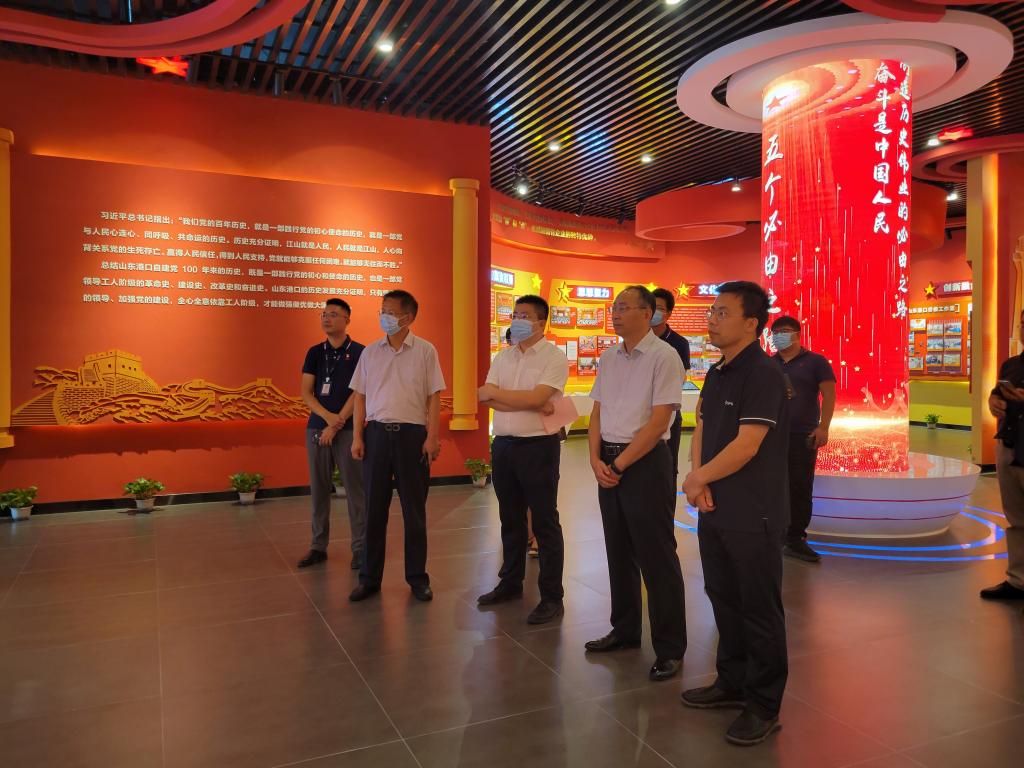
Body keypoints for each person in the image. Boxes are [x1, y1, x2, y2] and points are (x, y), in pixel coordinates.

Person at [681, 280, 789, 747]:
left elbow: (748, 445)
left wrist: (698, 479)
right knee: (723, 597)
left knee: (758, 608)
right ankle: (732, 681)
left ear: (751, 323)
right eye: (712, 311)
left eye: (722, 312)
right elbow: (703, 428)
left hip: (754, 510)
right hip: (716, 505)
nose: (711, 319)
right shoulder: (717, 372)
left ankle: (763, 705)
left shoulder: (763, 374)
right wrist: (700, 477)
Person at [584, 285, 687, 683]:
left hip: (644, 463)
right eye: (615, 307)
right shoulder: (609, 357)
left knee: (656, 555)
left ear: (648, 313)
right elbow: (597, 410)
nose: (616, 313)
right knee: (618, 548)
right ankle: (624, 630)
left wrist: (619, 464)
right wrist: (595, 458)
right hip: (609, 460)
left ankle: (670, 647)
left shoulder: (665, 356)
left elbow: (660, 422)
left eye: (625, 307)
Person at [348, 290, 445, 603]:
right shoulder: (370, 352)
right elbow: (360, 397)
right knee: (373, 511)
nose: (384, 317)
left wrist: (432, 436)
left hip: (412, 437)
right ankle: (369, 578)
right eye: (383, 310)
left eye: (390, 312)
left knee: (413, 512)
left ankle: (417, 578)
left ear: (408, 317)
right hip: (376, 434)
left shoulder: (425, 351)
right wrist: (357, 436)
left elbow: (434, 397)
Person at [477, 294, 569, 624]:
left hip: (538, 447)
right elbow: (484, 396)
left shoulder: (554, 357)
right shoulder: (503, 356)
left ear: (541, 322)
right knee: (510, 518)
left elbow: (537, 397)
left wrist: (517, 398)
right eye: (515, 314)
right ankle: (510, 582)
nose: (516, 320)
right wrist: (527, 401)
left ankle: (552, 596)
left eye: (524, 315)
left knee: (544, 521)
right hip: (503, 445)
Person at [298, 298, 366, 570]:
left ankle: (360, 548)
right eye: (324, 314)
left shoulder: (360, 352)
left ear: (347, 320)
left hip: (349, 429)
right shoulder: (315, 352)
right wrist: (327, 419)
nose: (326, 318)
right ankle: (318, 546)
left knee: (355, 490)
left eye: (333, 314)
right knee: (319, 489)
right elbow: (306, 392)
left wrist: (336, 424)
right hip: (317, 428)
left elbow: (360, 392)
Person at [770, 315, 836, 563]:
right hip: (772, 435)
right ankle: (775, 533)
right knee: (774, 484)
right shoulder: (769, 363)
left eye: (784, 331)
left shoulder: (816, 361)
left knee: (800, 486)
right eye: (775, 332)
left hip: (803, 435)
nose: (779, 336)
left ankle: (796, 538)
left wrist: (823, 427)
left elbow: (829, 395)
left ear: (797, 334)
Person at [982, 329, 1024, 602]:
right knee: (1017, 519)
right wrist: (994, 401)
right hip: (1009, 447)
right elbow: (997, 394)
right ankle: (1018, 581)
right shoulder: (1012, 364)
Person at [651, 287, 691, 480]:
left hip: (669, 414)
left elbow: (680, 379)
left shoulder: (679, 343)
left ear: (668, 313)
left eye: (659, 308)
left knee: (667, 467)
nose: (653, 312)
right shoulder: (636, 339)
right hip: (639, 414)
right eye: (651, 307)